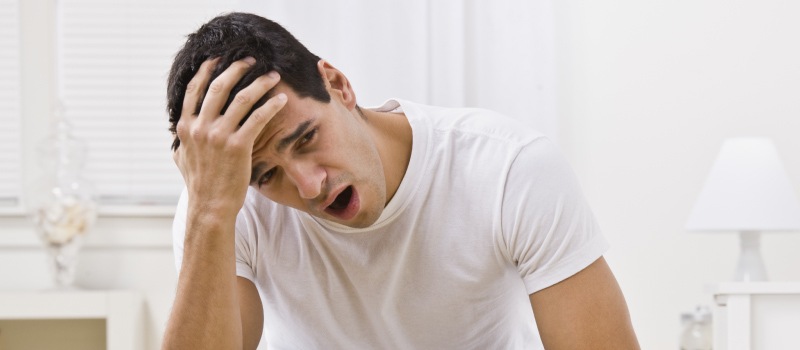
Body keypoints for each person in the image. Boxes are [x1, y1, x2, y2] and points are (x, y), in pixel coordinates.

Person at [163, 12, 640, 350]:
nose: (309, 187)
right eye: (267, 175)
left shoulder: (509, 168)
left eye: (306, 138)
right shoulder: (222, 204)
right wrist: (207, 212)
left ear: (338, 85)